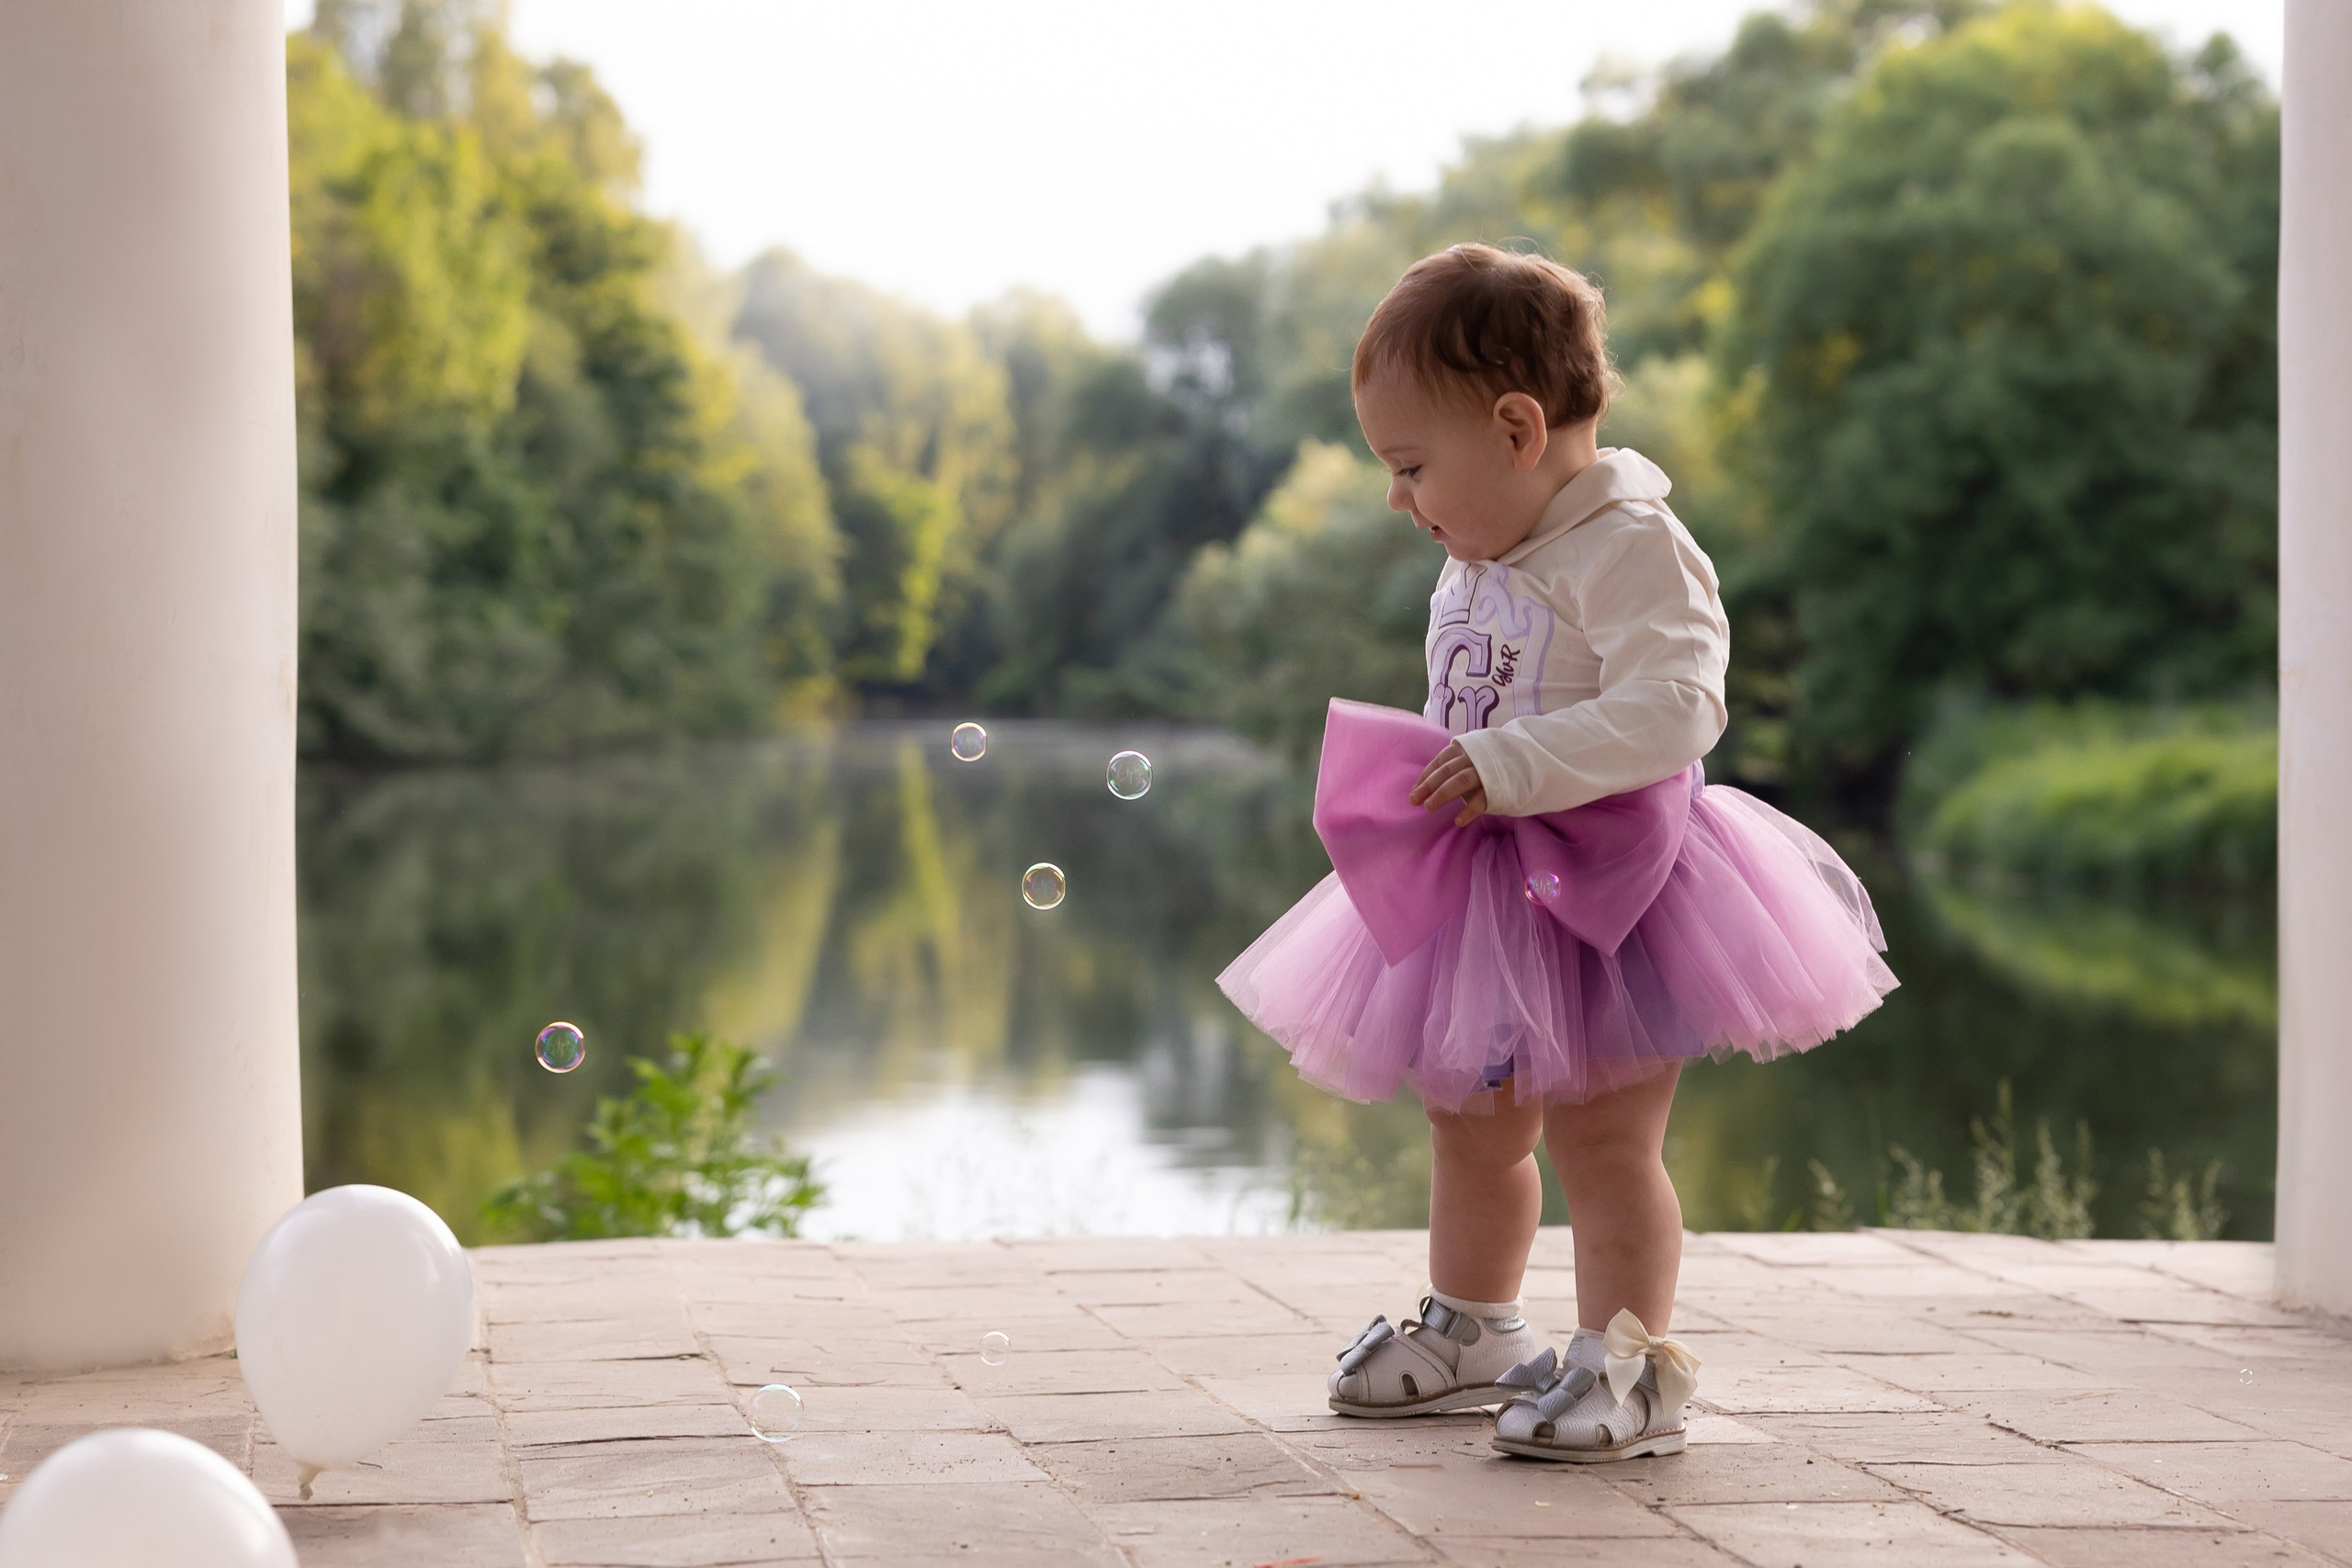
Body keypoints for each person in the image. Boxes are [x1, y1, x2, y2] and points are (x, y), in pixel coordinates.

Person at [1218, 243, 1896, 1463]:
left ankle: (1629, 1362)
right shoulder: (1478, 554)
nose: (1398, 498)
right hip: (1490, 888)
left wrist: (1514, 765)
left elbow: (1679, 704)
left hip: (1618, 893)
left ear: (1519, 428)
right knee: (1468, 1123)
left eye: (1412, 466)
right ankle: (1476, 1326)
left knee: (1603, 1139)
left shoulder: (1633, 542)